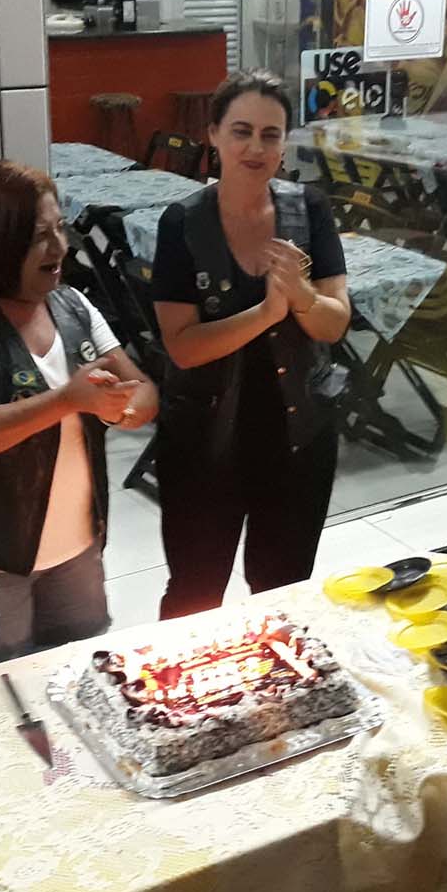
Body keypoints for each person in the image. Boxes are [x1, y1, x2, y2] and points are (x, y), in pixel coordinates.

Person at [0, 160, 158, 672]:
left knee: (84, 681)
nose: (61, 248)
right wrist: (66, 401)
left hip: (78, 547)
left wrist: (124, 409)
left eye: (60, 228)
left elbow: (144, 390)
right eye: (40, 236)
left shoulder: (73, 305)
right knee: (0, 698)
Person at [151, 70, 352, 619]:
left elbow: (335, 324)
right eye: (241, 131)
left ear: (285, 143)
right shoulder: (182, 223)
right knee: (194, 597)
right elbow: (183, 347)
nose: (255, 148)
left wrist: (302, 296)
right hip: (202, 445)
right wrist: (266, 313)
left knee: (283, 595)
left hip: (298, 439)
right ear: (214, 135)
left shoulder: (309, 210)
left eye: (270, 134)